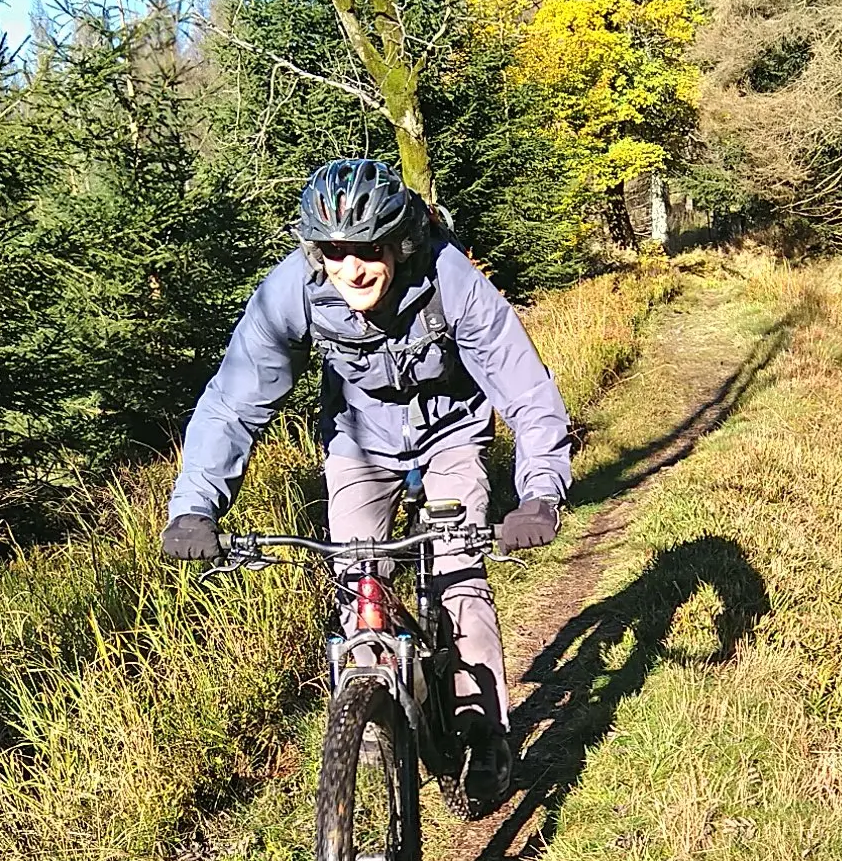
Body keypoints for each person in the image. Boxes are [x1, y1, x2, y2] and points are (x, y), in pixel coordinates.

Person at [161, 155, 572, 806]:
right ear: (314, 249)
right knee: (357, 579)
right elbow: (234, 401)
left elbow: (526, 389)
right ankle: (369, 710)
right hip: (359, 444)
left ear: (400, 241)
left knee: (456, 574)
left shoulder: (450, 281)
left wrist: (540, 493)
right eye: (333, 251)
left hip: (452, 437)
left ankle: (482, 728)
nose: (351, 268)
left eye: (369, 250)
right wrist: (194, 509)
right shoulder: (294, 290)